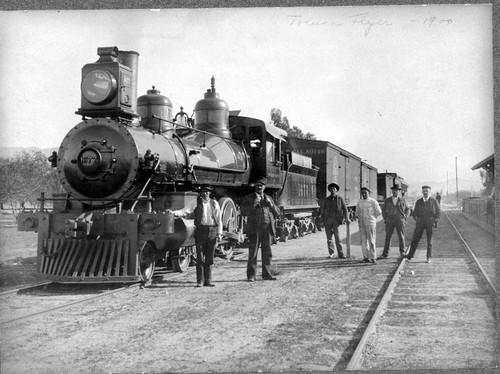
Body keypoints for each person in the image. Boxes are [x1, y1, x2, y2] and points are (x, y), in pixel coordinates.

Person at [169, 184, 222, 287]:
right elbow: (184, 211)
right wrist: (173, 213)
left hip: (212, 230)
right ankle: (200, 281)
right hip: (200, 230)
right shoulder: (195, 203)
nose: (205, 193)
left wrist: (219, 233)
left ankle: (208, 280)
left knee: (210, 257)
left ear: (210, 193)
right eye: (203, 192)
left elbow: (219, 219)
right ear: (200, 193)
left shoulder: (214, 203)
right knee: (200, 257)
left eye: (207, 192)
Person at [240, 177, 281, 281]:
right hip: (255, 229)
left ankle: (267, 274)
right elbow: (243, 212)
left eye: (261, 185)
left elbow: (277, 213)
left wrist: (271, 205)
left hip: (267, 228)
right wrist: (254, 203)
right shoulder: (248, 198)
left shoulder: (269, 198)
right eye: (257, 185)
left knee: (267, 253)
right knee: (253, 253)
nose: (259, 187)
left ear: (264, 187)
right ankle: (251, 276)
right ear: (255, 186)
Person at [405, 185, 441, 263]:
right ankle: (410, 255)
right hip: (420, 223)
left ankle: (429, 257)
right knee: (415, 239)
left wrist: (435, 221)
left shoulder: (434, 201)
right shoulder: (419, 202)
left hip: (430, 223)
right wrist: (416, 219)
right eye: (424, 191)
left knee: (429, 241)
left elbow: (438, 213)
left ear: (430, 192)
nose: (425, 193)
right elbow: (414, 213)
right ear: (422, 192)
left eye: (427, 191)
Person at [379, 184, 410, 259]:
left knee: (401, 236)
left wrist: (405, 217)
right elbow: (383, 210)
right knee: (388, 237)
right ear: (392, 191)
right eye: (393, 190)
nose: (394, 192)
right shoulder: (387, 200)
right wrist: (385, 218)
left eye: (396, 190)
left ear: (398, 191)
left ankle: (402, 252)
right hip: (390, 221)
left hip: (400, 220)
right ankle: (385, 253)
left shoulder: (403, 200)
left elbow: (408, 209)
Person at [320, 182, 350, 258]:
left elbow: (345, 209)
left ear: (336, 190)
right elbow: (323, 210)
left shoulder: (340, 199)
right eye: (331, 189)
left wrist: (347, 218)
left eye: (334, 189)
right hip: (328, 222)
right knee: (329, 239)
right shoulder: (326, 200)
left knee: (338, 238)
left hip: (336, 222)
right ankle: (331, 253)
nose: (332, 190)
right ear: (330, 190)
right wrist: (322, 221)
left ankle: (341, 254)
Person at [356, 187, 382, 264]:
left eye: (365, 193)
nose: (364, 194)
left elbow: (379, 211)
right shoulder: (359, 202)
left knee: (371, 241)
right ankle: (366, 257)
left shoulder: (373, 201)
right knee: (363, 241)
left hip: (370, 223)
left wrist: (373, 218)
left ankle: (373, 257)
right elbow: (356, 212)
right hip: (361, 224)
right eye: (362, 193)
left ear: (368, 193)